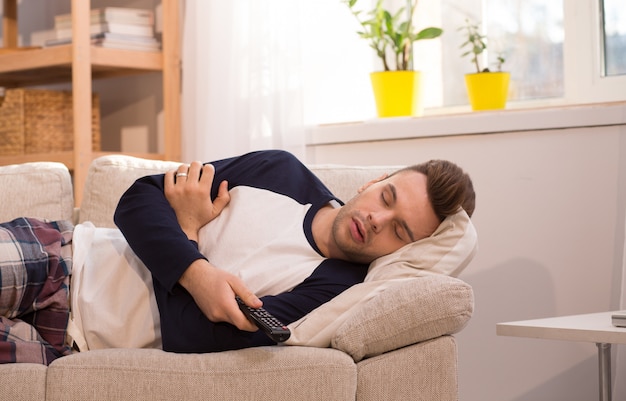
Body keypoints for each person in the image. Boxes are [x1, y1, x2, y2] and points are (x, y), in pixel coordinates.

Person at [114, 149, 475, 354]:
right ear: (373, 183)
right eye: (386, 197)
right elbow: (138, 198)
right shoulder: (282, 171)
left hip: (73, 325)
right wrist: (195, 270)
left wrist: (185, 228)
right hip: (67, 246)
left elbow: (188, 337)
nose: (376, 219)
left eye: (398, 231)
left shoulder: (333, 291)